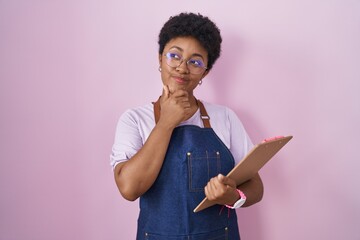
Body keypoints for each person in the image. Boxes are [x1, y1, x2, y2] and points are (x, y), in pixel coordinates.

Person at [110, 12, 264, 240]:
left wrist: (231, 196)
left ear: (206, 71)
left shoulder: (225, 118)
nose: (182, 68)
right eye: (174, 56)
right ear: (160, 58)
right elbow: (129, 188)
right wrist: (166, 122)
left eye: (195, 61)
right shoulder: (134, 119)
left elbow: (255, 186)